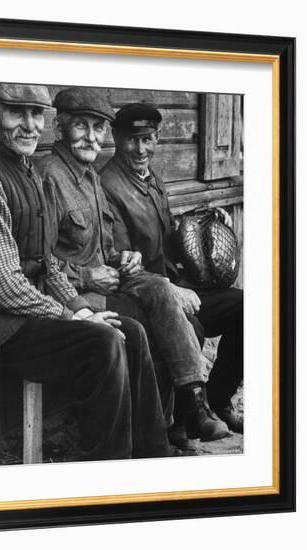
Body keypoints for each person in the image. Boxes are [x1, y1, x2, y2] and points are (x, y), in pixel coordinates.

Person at [38, 87, 230, 444]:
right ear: (59, 129)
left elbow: (106, 246)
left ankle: (192, 405)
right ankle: (161, 433)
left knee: (160, 290)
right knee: (164, 324)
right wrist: (85, 275)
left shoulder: (91, 177)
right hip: (78, 295)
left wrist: (124, 257)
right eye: (81, 126)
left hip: (110, 280)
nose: (91, 136)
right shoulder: (50, 177)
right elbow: (40, 262)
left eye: (97, 128)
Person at [0, 82, 172, 461]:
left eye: (35, 114)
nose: (28, 125)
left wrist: (84, 309)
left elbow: (48, 264)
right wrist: (73, 314)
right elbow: (7, 287)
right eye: (16, 112)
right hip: (0, 326)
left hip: (33, 312)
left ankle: (153, 457)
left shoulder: (28, 172)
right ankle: (107, 468)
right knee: (103, 341)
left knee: (130, 331)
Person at [99, 102, 243, 434]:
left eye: (147, 139)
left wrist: (206, 220)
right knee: (191, 326)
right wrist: (173, 290)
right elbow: (120, 259)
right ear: (116, 137)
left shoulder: (152, 179)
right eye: (132, 140)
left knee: (247, 308)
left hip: (178, 285)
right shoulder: (108, 186)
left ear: (157, 138)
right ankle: (184, 421)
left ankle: (218, 401)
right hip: (146, 297)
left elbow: (167, 237)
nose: (140, 148)